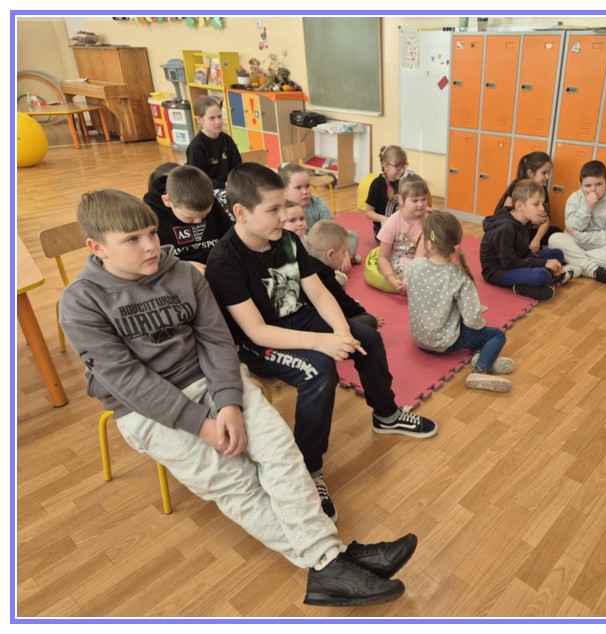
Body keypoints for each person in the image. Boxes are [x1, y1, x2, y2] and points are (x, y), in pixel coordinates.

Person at [59, 189, 419, 607]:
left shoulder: (183, 274)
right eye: (132, 240)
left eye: (152, 233)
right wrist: (200, 424)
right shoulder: (81, 301)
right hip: (147, 410)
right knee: (237, 482)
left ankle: (329, 562)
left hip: (215, 380)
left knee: (281, 451)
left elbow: (215, 340)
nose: (151, 246)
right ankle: (330, 559)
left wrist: (229, 401)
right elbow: (127, 380)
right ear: (97, 248)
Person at [204, 164, 438, 521]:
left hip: (299, 318)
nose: (284, 216)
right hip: (260, 342)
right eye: (273, 209)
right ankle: (309, 468)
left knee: (366, 338)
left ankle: (386, 415)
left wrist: (342, 333)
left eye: (283, 205)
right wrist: (322, 343)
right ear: (241, 212)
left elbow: (318, 293)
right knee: (320, 370)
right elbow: (256, 332)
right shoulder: (225, 261)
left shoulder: (286, 240)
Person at [408, 211, 514, 393]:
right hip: (445, 343)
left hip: (420, 338)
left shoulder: (414, 266)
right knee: (496, 335)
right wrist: (481, 324)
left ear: (428, 244)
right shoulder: (459, 276)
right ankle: (481, 369)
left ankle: (481, 355)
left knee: (464, 324)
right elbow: (472, 320)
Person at [480, 179, 576, 301]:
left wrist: (542, 262)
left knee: (557, 254)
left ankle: (531, 282)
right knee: (541, 275)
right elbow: (509, 263)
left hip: (517, 260)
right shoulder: (506, 228)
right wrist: (543, 264)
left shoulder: (525, 221)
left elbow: (524, 251)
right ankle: (558, 276)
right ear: (519, 206)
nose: (542, 209)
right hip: (499, 271)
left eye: (542, 204)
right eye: (536, 204)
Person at [547, 160, 606, 286]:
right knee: (554, 239)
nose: (593, 189)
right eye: (588, 186)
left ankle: (575, 265)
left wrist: (579, 236)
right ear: (580, 185)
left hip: (602, 247)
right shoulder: (574, 198)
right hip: (576, 243)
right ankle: (594, 271)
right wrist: (587, 207)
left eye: (598, 184)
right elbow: (571, 226)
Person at [143, 163, 233, 273]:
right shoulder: (150, 214)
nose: (198, 221)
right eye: (189, 217)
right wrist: (181, 266)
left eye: (205, 215)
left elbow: (229, 237)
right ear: (167, 201)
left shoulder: (208, 200)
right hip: (175, 270)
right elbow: (149, 258)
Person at [278, 162, 360, 271]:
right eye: (298, 187)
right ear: (285, 190)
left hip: (321, 245)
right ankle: (334, 263)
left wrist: (345, 254)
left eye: (307, 186)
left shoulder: (318, 204)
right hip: (297, 249)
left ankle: (343, 258)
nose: (305, 192)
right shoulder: (280, 208)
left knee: (352, 236)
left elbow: (331, 232)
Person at [307, 220, 381, 330]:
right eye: (343, 252)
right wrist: (363, 313)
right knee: (369, 322)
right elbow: (345, 304)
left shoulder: (306, 264)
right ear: (330, 254)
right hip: (317, 325)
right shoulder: (324, 275)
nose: (345, 257)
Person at [495, 151, 561, 253]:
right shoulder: (517, 187)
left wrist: (536, 240)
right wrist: (532, 221)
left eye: (548, 173)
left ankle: (532, 248)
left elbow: (546, 220)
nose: (547, 177)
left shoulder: (542, 189)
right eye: (544, 173)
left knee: (556, 232)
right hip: (515, 230)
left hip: (529, 231)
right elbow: (506, 216)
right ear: (530, 173)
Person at [374, 174, 430, 295]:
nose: (421, 204)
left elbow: (420, 255)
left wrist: (409, 277)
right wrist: (391, 279)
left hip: (419, 259)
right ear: (401, 200)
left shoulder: (427, 221)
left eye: (424, 199)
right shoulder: (393, 222)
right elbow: (382, 257)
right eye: (415, 200)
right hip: (398, 259)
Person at [186, 96, 242, 192]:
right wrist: (223, 184)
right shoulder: (196, 147)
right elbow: (198, 181)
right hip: (208, 191)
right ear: (199, 120)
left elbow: (237, 167)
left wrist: (235, 182)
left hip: (230, 187)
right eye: (212, 118)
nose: (218, 122)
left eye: (220, 116)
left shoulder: (227, 140)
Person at [365, 145, 410, 240]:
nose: (402, 170)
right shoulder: (377, 184)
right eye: (397, 166)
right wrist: (382, 219)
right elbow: (368, 212)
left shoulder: (404, 182)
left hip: (402, 227)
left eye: (404, 166)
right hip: (383, 230)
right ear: (385, 166)